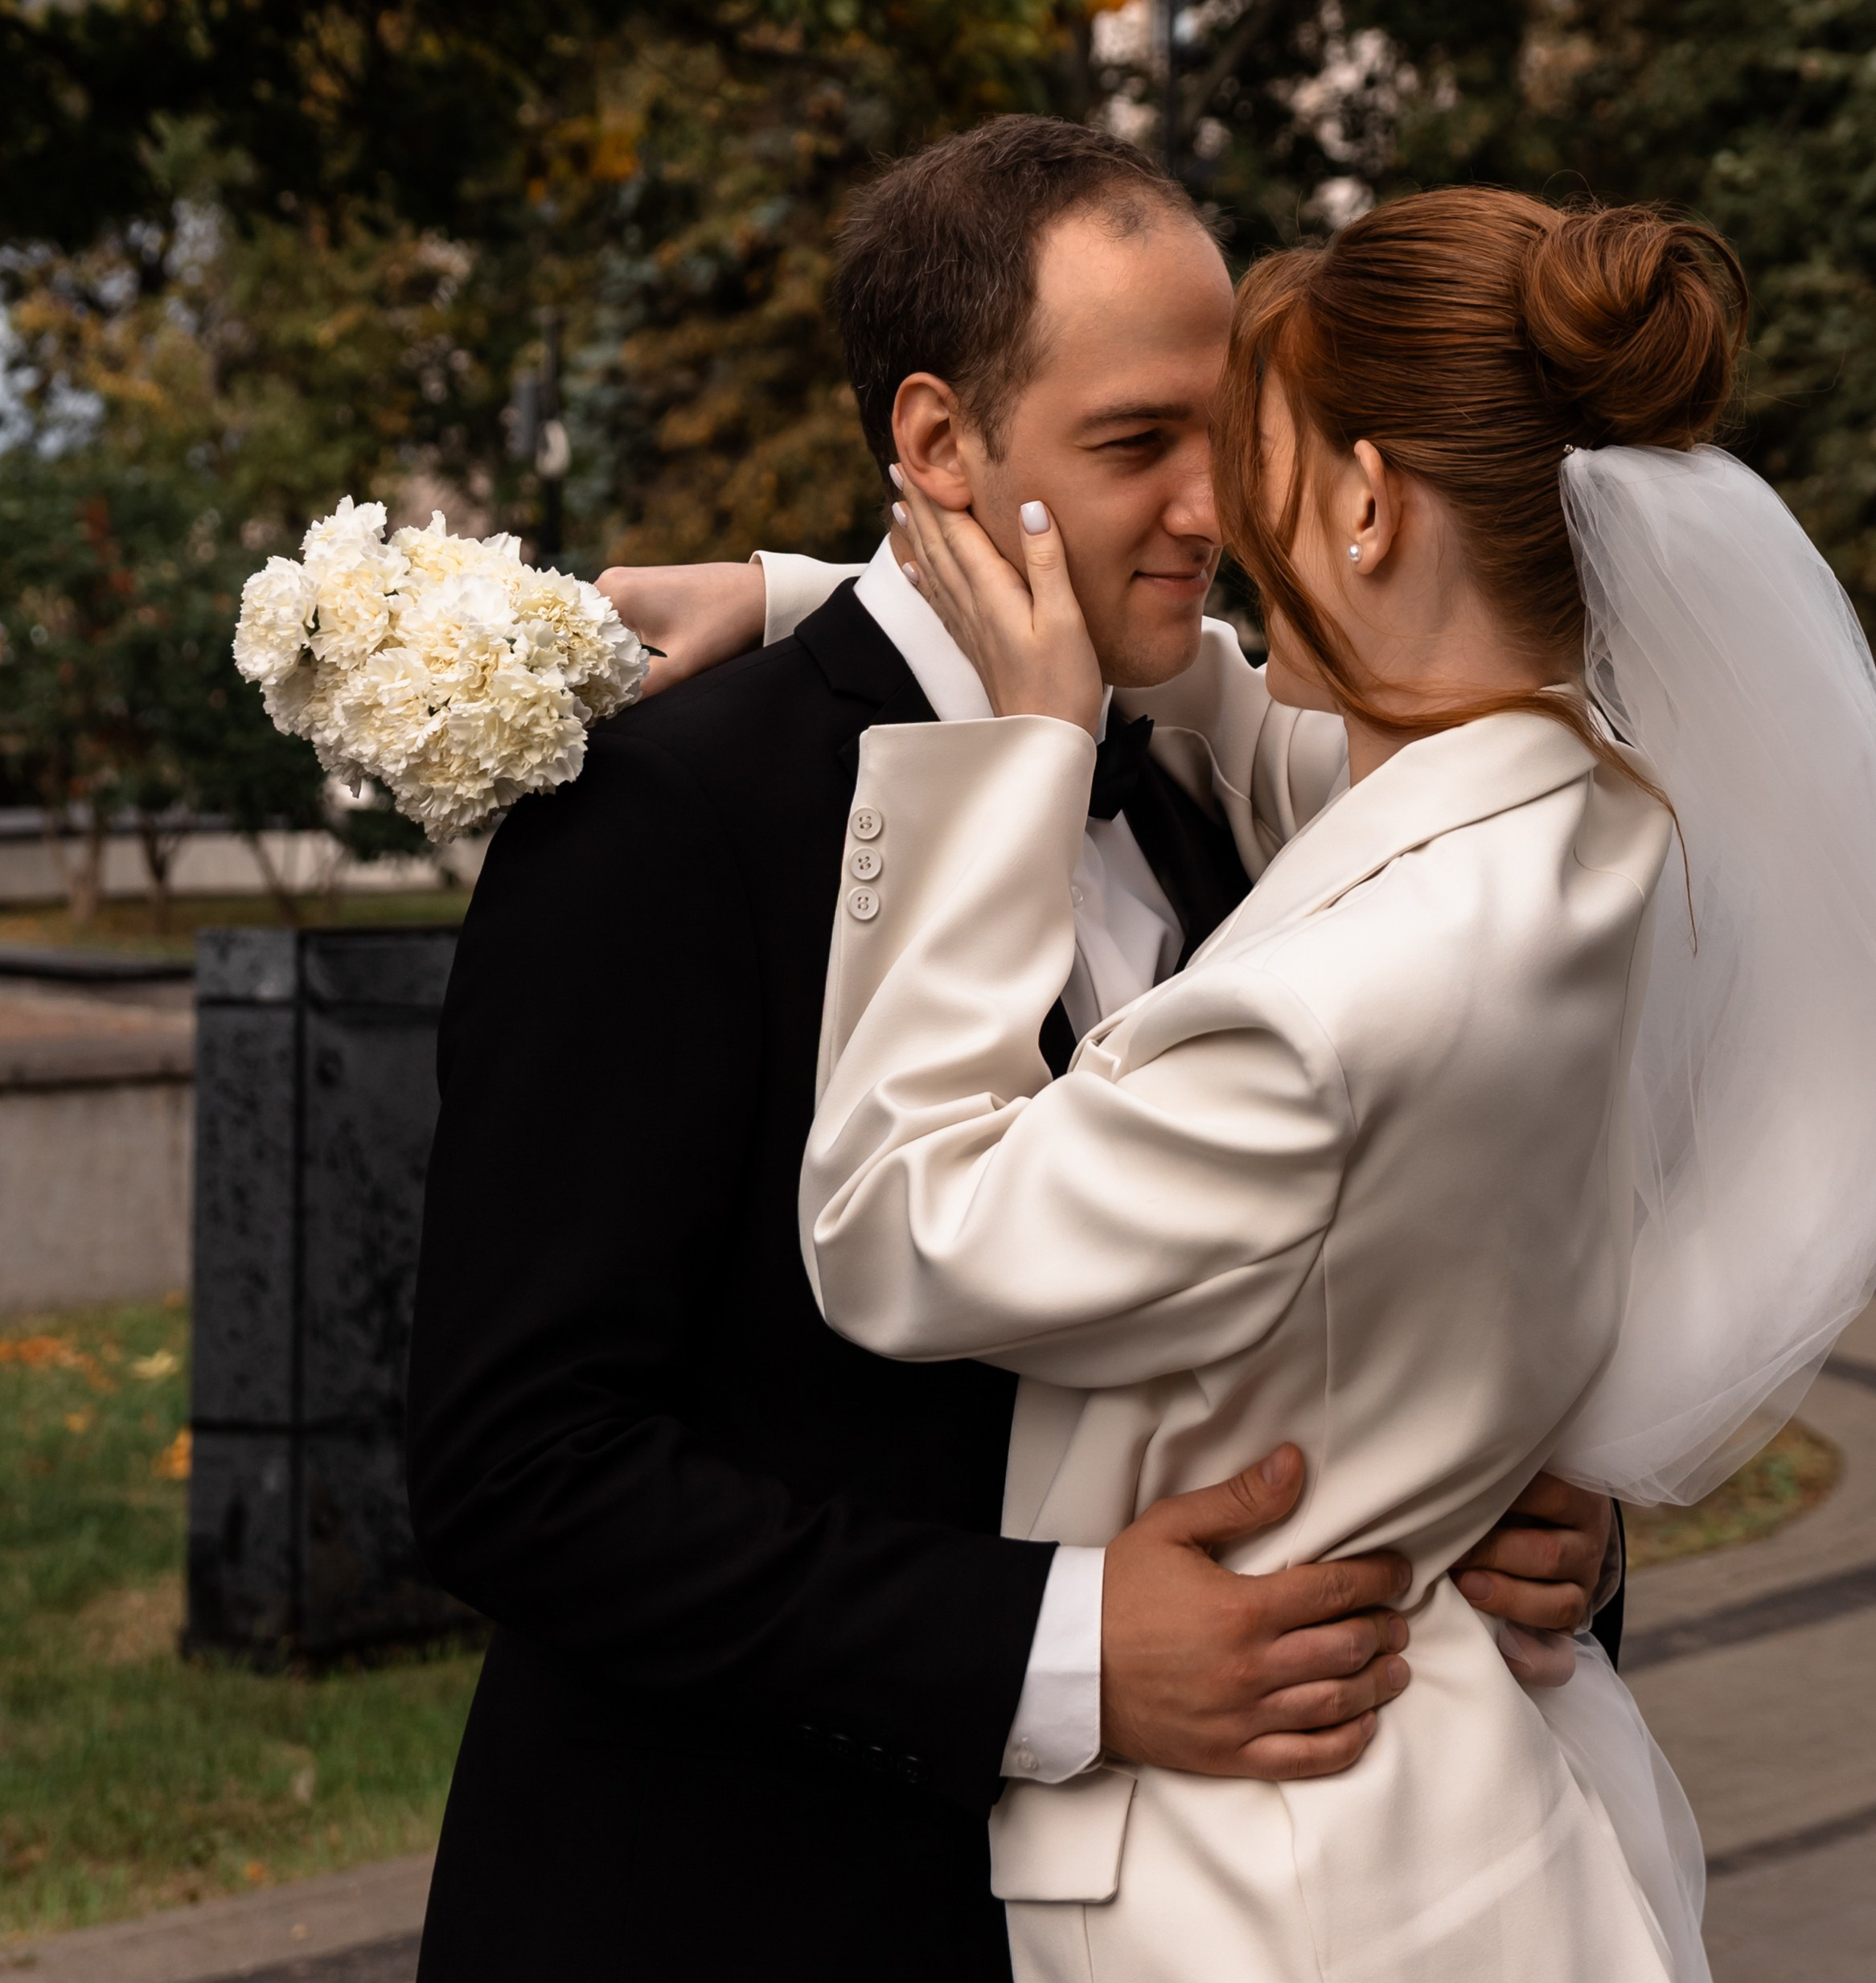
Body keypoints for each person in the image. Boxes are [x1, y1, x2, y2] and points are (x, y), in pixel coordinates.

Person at [406, 125, 1614, 1982]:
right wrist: (1061, 1650)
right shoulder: (669, 822)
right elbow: (517, 1467)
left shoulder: (1228, 784)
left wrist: (1521, 1512)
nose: (1219, 508)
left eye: (1237, 430)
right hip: (753, 1912)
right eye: (1139, 444)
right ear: (941, 442)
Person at [793, 187, 1763, 1981]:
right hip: (1470, 1819)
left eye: (1252, 450)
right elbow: (1245, 711)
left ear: (1369, 504)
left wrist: (1011, 756)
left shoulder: (1323, 1015)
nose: (1217, 516)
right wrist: (818, 599)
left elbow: (892, 1226)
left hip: (1282, 1895)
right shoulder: (1600, 814)